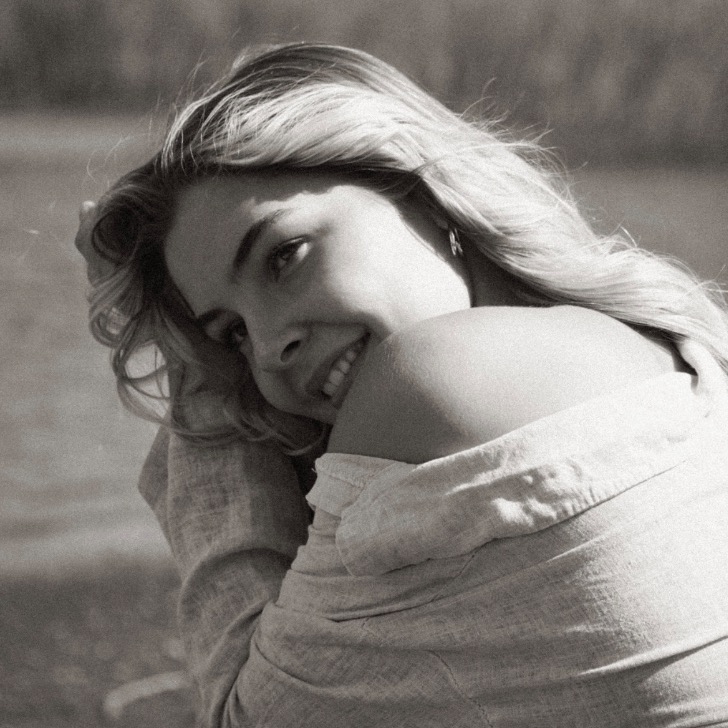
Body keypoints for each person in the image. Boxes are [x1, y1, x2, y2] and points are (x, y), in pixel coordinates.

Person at [75, 43, 728, 727]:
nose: (267, 347)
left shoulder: (429, 375)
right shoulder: (657, 346)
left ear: (420, 192)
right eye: (231, 334)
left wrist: (195, 381)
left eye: (285, 256)